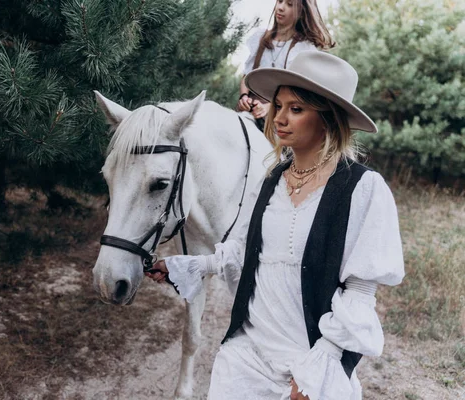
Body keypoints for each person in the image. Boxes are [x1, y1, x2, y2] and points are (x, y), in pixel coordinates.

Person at [146, 51, 405, 400]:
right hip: (246, 357)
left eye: (296, 109)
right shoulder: (271, 180)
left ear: (328, 120)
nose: (280, 118)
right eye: (278, 105)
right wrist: (186, 265)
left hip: (307, 361)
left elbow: (360, 293)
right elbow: (244, 251)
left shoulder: (363, 190)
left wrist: (317, 371)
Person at [238, 0, 335, 127]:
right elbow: (247, 76)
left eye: (289, 4)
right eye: (280, 1)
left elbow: (299, 93)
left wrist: (269, 107)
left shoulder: (303, 48)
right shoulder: (260, 38)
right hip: (249, 116)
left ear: (300, 12)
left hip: (281, 122)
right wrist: (244, 97)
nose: (281, 8)